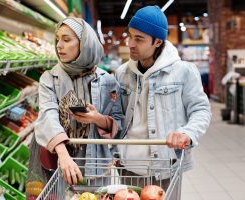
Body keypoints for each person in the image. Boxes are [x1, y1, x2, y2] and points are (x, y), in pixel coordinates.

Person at [115, 5, 211, 192]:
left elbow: (200, 109)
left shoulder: (184, 72)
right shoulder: (122, 73)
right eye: (130, 36)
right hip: (127, 166)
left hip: (165, 166)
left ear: (158, 42)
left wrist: (187, 133)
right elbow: (118, 117)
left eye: (139, 39)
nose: (130, 44)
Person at [27, 16, 123, 193]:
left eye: (67, 39)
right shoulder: (49, 78)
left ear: (84, 43)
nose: (59, 45)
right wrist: (63, 155)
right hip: (58, 163)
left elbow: (119, 122)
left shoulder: (107, 81)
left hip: (96, 165)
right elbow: (48, 114)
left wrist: (99, 119)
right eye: (57, 40)